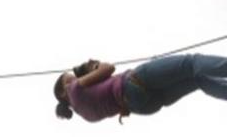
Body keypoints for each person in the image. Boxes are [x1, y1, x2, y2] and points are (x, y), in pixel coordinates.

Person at [54, 53, 227, 123]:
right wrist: (94, 66)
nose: (73, 77)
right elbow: (108, 68)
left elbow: (104, 95)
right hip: (133, 83)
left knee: (196, 80)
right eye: (68, 76)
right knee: (191, 63)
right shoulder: (73, 88)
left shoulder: (85, 115)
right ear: (63, 91)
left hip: (142, 106)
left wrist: (92, 74)